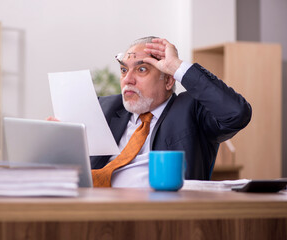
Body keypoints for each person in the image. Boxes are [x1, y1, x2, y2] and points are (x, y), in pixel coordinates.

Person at [90, 36, 252, 187]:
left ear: (168, 80)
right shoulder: (105, 107)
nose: (127, 79)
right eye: (124, 70)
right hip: (93, 205)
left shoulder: (191, 110)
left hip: (159, 211)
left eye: (141, 69)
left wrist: (177, 66)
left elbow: (236, 113)